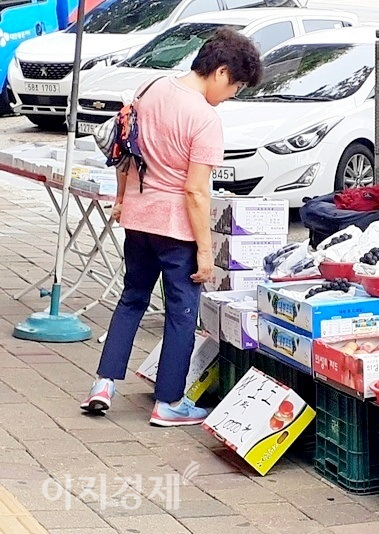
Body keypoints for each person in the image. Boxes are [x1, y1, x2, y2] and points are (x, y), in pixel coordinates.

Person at [80, 28, 263, 427]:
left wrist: (123, 199)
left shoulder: (149, 89)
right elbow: (196, 192)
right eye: (235, 87)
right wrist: (205, 251)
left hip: (138, 221)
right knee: (181, 312)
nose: (230, 96)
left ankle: (103, 385)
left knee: (132, 298)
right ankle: (169, 402)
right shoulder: (205, 119)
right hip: (176, 231)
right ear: (221, 72)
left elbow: (124, 152)